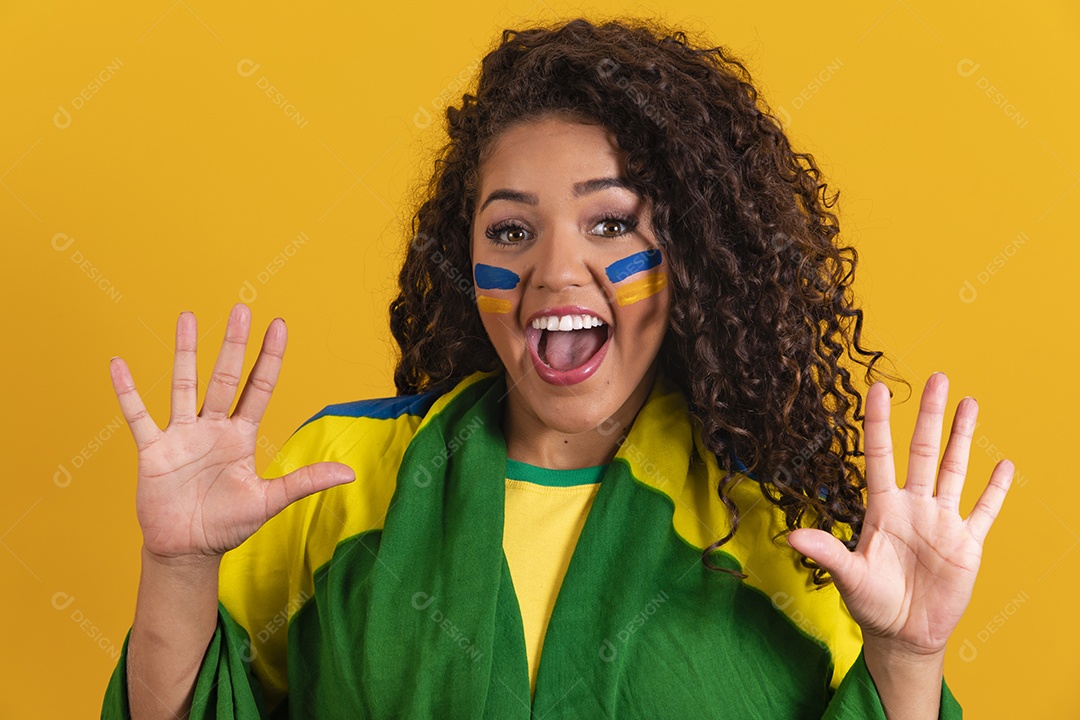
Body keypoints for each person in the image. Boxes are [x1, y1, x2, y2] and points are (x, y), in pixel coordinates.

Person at [101, 17, 1013, 719]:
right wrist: (175, 566)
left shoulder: (785, 537)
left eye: (610, 222)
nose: (554, 269)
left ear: (690, 253)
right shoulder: (337, 482)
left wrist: (908, 659)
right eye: (510, 230)